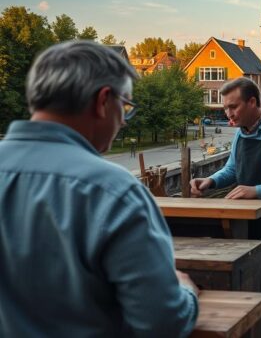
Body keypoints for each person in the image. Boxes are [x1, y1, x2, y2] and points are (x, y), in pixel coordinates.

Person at [0, 41, 199, 337]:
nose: (124, 121)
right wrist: (186, 292)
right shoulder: (114, 192)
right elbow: (163, 321)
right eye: (125, 106)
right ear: (103, 101)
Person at [189, 77, 261, 337]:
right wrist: (210, 181)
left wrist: (257, 191)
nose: (228, 113)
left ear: (253, 102)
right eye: (225, 108)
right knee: (256, 292)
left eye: (233, 107)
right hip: (248, 229)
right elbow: (233, 169)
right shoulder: (241, 134)